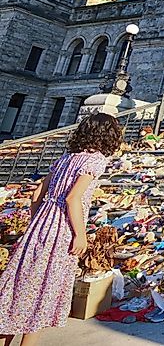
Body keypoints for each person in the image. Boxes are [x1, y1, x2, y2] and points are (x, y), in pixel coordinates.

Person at [0, 113, 123, 346]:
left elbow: (37, 194)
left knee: (20, 287)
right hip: (62, 229)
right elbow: (73, 199)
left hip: (40, 226)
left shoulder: (66, 158)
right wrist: (80, 234)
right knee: (42, 292)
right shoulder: (95, 160)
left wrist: (41, 220)